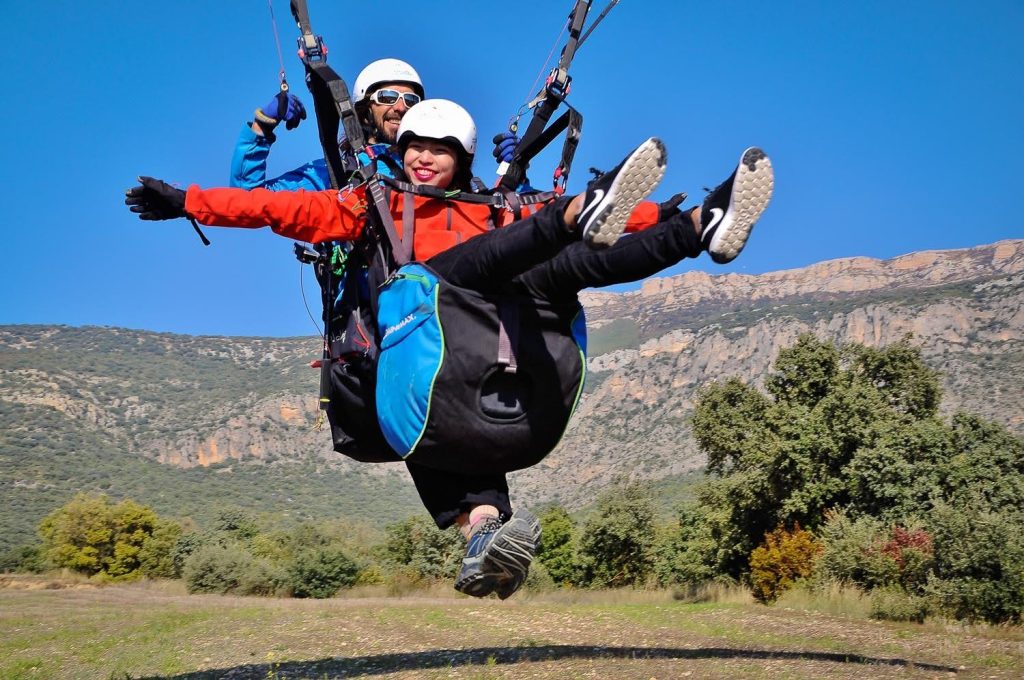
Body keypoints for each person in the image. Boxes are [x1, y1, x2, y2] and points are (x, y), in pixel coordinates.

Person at [125, 99, 774, 597]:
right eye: (415, 148)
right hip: (425, 331)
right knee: (496, 256)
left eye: (440, 151)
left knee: (568, 267)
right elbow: (269, 208)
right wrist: (187, 201)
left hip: (485, 358)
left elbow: (611, 220)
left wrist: (659, 216)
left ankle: (699, 228)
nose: (424, 159)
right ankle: (575, 214)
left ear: (461, 159)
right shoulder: (371, 206)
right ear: (400, 151)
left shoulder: (490, 210)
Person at [230, 58, 425, 192]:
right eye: (387, 97)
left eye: (411, 99)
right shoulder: (336, 172)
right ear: (365, 111)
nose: (401, 107)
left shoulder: (436, 166)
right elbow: (245, 197)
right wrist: (263, 125)